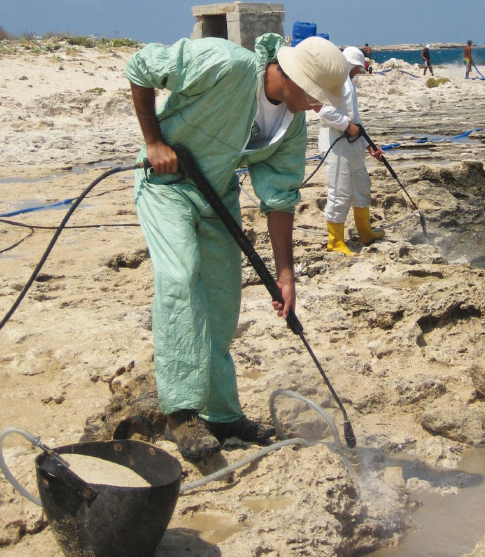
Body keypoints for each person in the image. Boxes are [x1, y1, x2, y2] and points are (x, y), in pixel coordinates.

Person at [125, 34, 349, 460]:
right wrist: (154, 143)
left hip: (216, 195)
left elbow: (280, 199)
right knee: (179, 277)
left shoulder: (292, 126)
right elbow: (140, 66)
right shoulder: (224, 62)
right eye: (316, 96)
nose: (320, 107)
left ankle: (222, 415)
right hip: (165, 186)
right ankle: (181, 413)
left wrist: (286, 277)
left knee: (223, 300)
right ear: (293, 77)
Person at [318, 47, 386, 256]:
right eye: (357, 67)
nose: (359, 71)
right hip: (337, 147)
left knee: (361, 187)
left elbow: (357, 121)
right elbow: (325, 112)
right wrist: (347, 126)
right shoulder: (337, 82)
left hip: (353, 147)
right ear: (351, 64)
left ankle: (365, 232)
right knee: (340, 192)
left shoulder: (349, 83)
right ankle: (335, 241)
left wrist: (370, 146)